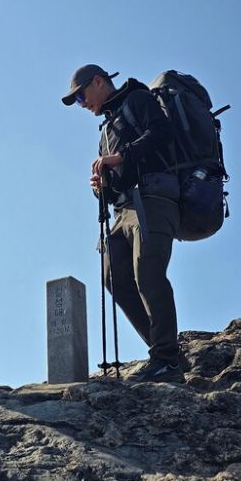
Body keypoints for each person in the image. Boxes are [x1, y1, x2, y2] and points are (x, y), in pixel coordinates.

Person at [62, 64, 184, 383]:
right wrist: (101, 187)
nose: (81, 104)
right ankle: (164, 351)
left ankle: (167, 360)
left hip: (153, 200)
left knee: (148, 273)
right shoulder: (106, 129)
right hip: (122, 210)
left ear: (98, 82)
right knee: (113, 276)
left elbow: (162, 133)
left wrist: (122, 156)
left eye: (81, 97)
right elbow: (115, 183)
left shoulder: (138, 99)